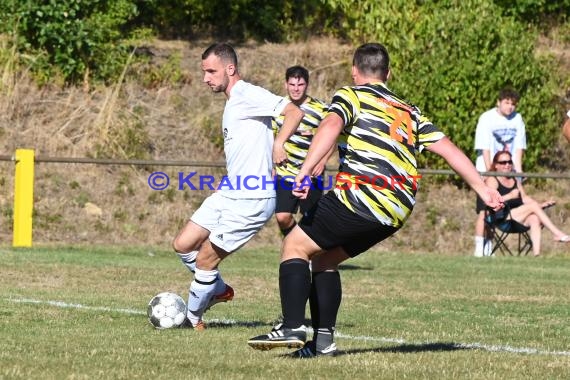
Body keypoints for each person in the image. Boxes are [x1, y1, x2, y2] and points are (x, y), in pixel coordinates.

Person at [247, 42, 504, 357]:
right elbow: (447, 148)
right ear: (388, 73)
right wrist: (483, 189)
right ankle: (324, 343)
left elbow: (330, 126)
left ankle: (291, 326)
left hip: (362, 195)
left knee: (294, 246)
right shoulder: (409, 110)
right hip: (396, 209)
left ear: (354, 71)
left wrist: (302, 171)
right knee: (324, 259)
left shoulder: (352, 95)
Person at [172, 42, 304, 330]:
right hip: (231, 191)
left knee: (206, 259)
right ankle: (216, 289)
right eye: (204, 71)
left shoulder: (246, 93)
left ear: (229, 69)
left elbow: (294, 112)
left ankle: (191, 319)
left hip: (252, 198)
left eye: (211, 71)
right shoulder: (233, 102)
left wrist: (279, 143)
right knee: (183, 245)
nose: (206, 78)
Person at [273, 66, 330, 237]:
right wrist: (271, 164)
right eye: (292, 84)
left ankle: (309, 255)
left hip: (311, 173)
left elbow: (331, 138)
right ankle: (295, 245)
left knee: (311, 218)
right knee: (282, 217)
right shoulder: (278, 108)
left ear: (307, 85)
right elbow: (271, 138)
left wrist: (323, 160)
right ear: (285, 85)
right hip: (285, 172)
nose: (296, 89)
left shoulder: (321, 109)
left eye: (300, 84)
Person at [478, 150, 570, 256]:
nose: (507, 165)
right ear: (496, 165)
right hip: (501, 218)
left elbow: (525, 198)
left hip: (516, 218)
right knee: (532, 207)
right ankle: (557, 233)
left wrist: (541, 205)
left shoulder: (515, 180)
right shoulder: (492, 180)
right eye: (503, 162)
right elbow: (491, 202)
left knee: (534, 218)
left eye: (509, 162)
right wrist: (510, 196)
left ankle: (537, 255)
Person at [473, 88, 527, 257]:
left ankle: (489, 248)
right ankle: (479, 249)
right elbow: (485, 148)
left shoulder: (517, 119)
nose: (510, 107)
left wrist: (517, 174)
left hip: (507, 172)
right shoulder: (486, 118)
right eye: (507, 102)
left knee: (499, 211)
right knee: (485, 211)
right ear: (498, 102)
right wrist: (491, 174)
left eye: (513, 104)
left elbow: (518, 150)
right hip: (487, 171)